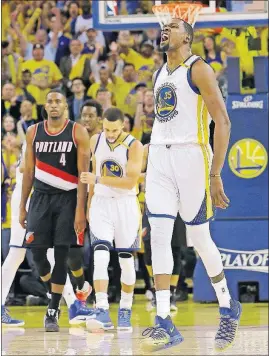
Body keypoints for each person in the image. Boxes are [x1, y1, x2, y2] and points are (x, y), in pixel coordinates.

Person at [142, 15, 241, 352]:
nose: (165, 29)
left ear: (187, 37)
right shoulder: (159, 73)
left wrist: (215, 174)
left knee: (199, 238)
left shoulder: (198, 69)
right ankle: (163, 322)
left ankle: (228, 308)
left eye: (173, 26)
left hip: (192, 158)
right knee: (158, 235)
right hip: (159, 157)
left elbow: (223, 121)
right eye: (163, 26)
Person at [2, 123, 94, 327]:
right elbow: (27, 171)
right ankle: (70, 305)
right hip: (30, 198)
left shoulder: (42, 138)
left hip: (42, 199)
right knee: (19, 254)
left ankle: (71, 305)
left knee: (53, 255)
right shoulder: (36, 138)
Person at [18, 90, 91, 332]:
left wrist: (81, 210)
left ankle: (53, 308)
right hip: (40, 197)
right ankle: (66, 290)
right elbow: (28, 171)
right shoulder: (33, 132)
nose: (53, 105)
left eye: (58, 101)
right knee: (38, 255)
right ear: (45, 106)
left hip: (68, 199)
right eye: (50, 101)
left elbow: (83, 176)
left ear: (66, 106)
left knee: (62, 253)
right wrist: (22, 205)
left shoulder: (77, 131)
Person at [80, 107, 143, 332]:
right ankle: (102, 309)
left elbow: (128, 182)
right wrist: (88, 206)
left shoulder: (135, 146)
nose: (110, 134)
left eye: (114, 130)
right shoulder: (95, 140)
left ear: (123, 125)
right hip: (101, 204)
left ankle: (125, 309)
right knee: (100, 257)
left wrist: (98, 179)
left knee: (126, 261)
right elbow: (91, 179)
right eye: (106, 129)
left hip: (126, 204)